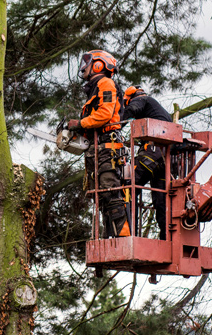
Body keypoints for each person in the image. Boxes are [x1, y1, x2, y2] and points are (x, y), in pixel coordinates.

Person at [67, 49, 130, 238]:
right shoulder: (95, 88)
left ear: (98, 64)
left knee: (110, 191)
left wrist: (80, 123)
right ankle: (109, 237)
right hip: (98, 147)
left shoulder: (106, 83)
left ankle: (123, 236)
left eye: (87, 62)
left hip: (107, 146)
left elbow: (104, 114)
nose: (83, 67)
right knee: (101, 195)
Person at [120, 85, 170, 240]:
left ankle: (129, 235)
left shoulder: (141, 100)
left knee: (128, 187)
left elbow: (132, 110)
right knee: (162, 200)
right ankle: (167, 239)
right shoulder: (156, 110)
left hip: (152, 152)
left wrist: (115, 126)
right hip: (165, 158)